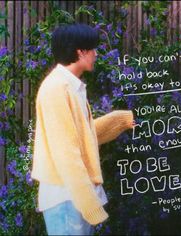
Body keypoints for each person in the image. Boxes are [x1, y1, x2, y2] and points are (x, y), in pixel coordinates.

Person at [30, 23, 135, 235]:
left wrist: (120, 120)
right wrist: (88, 203)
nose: (96, 54)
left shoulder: (70, 86)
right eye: (93, 49)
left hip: (72, 197)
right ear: (81, 51)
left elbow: (81, 135)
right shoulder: (56, 89)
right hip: (66, 198)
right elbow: (66, 152)